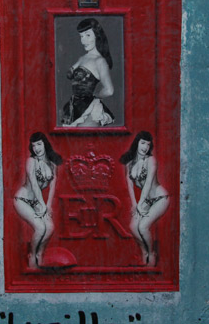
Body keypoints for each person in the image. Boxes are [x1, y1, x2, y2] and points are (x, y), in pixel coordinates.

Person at [120, 131, 169, 266]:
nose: (145, 147)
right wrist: (134, 204)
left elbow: (148, 183)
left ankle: (152, 253)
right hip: (145, 200)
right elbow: (130, 185)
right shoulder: (129, 164)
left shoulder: (150, 160)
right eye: (142, 143)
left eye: (148, 144)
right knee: (133, 227)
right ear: (137, 143)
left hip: (160, 198)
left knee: (142, 227)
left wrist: (141, 203)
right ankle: (144, 251)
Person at [14, 132, 63, 269]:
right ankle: (32, 254)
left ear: (45, 144)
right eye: (34, 145)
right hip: (23, 199)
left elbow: (52, 186)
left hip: (37, 202)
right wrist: (42, 205)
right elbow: (34, 184)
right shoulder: (31, 161)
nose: (36, 148)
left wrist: (48, 205)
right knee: (40, 228)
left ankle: (39, 253)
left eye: (39, 144)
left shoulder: (52, 164)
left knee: (50, 228)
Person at [61, 18, 115, 127]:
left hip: (89, 110)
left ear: (97, 36)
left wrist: (96, 96)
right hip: (72, 107)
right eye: (81, 36)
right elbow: (69, 74)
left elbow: (109, 91)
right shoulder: (82, 58)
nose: (83, 40)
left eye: (88, 35)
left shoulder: (100, 61)